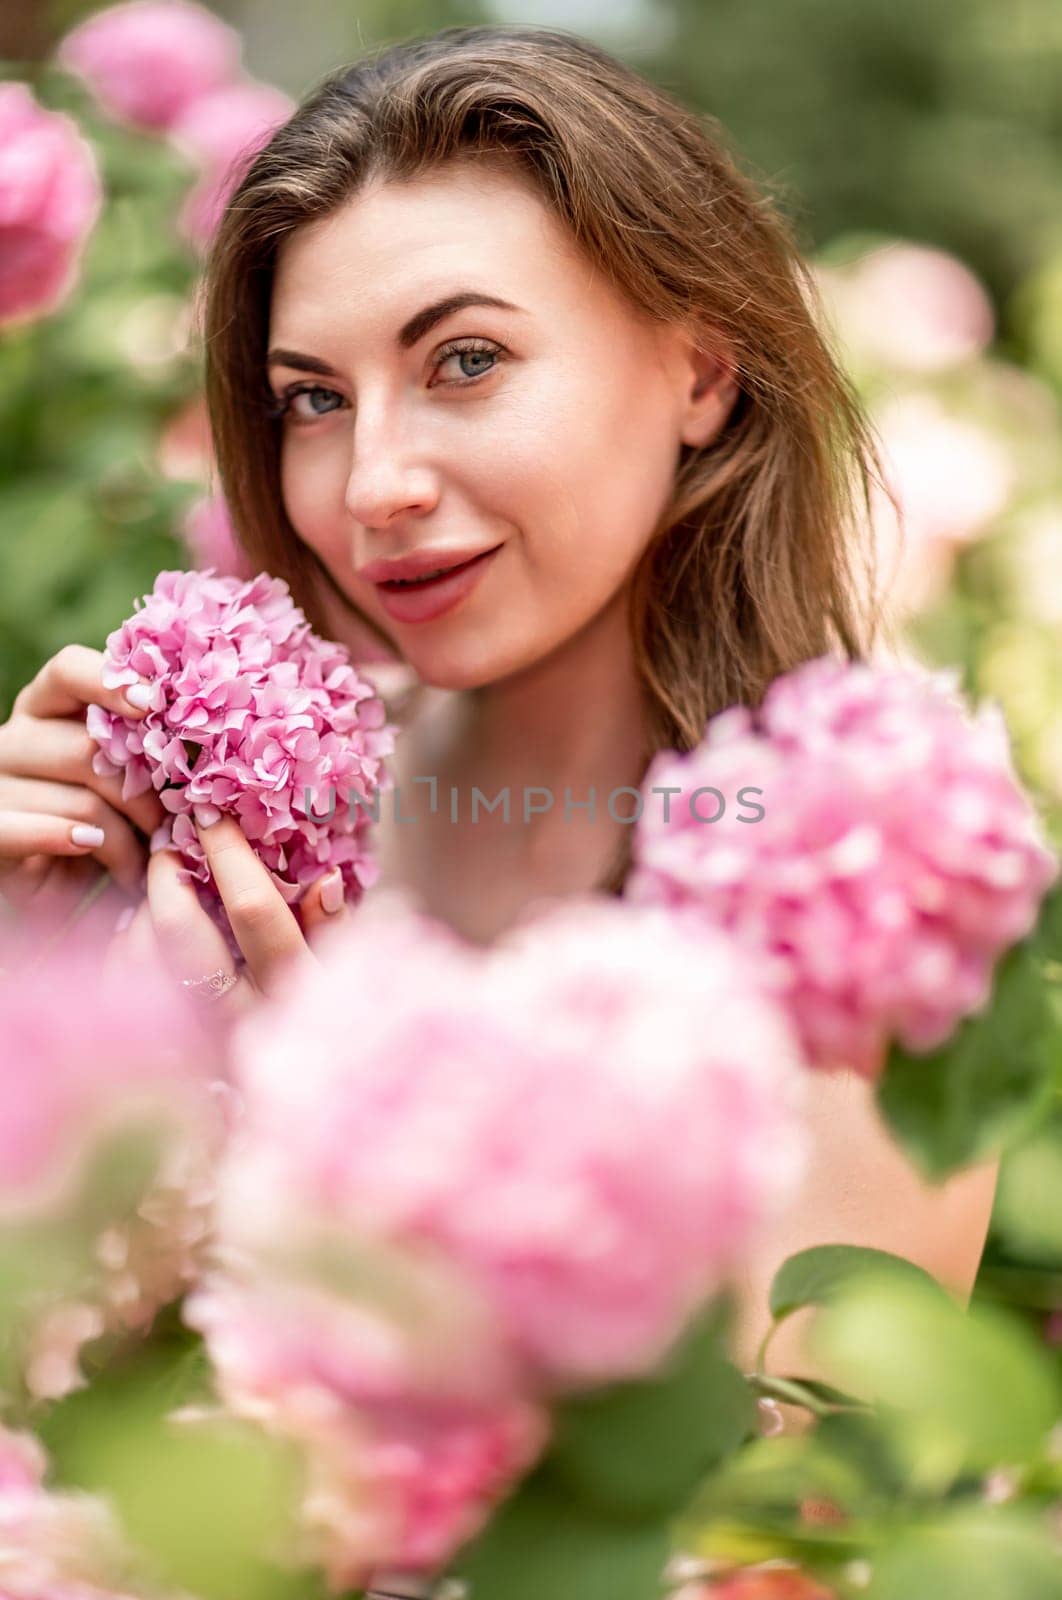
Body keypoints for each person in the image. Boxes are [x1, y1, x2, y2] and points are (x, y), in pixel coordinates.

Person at [0, 24, 999, 1439]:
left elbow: (766, 1541)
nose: (374, 483)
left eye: (464, 361)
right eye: (312, 401)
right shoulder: (235, 843)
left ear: (702, 371)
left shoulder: (852, 918)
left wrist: (337, 1156)